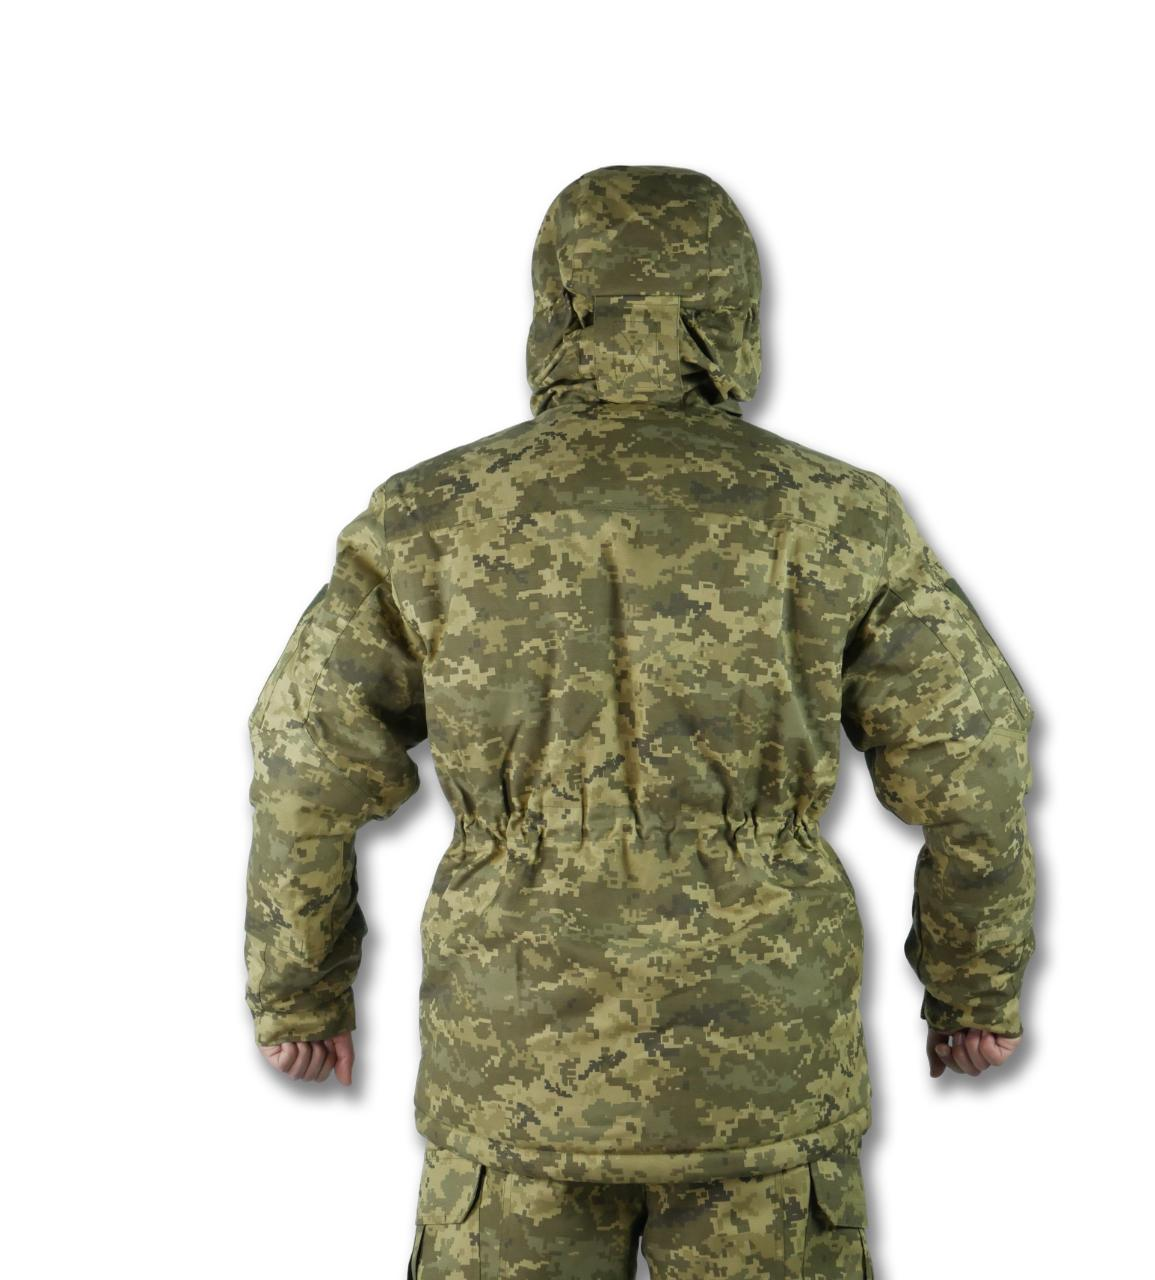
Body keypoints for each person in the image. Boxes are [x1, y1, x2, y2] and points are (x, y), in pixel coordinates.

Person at [244, 164, 1036, 1278]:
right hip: (762, 1066)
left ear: (554, 308)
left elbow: (304, 761)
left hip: (513, 1071)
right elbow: (975, 760)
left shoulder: (430, 516)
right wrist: (971, 984)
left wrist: (299, 990)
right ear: (731, 309)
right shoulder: (839, 516)